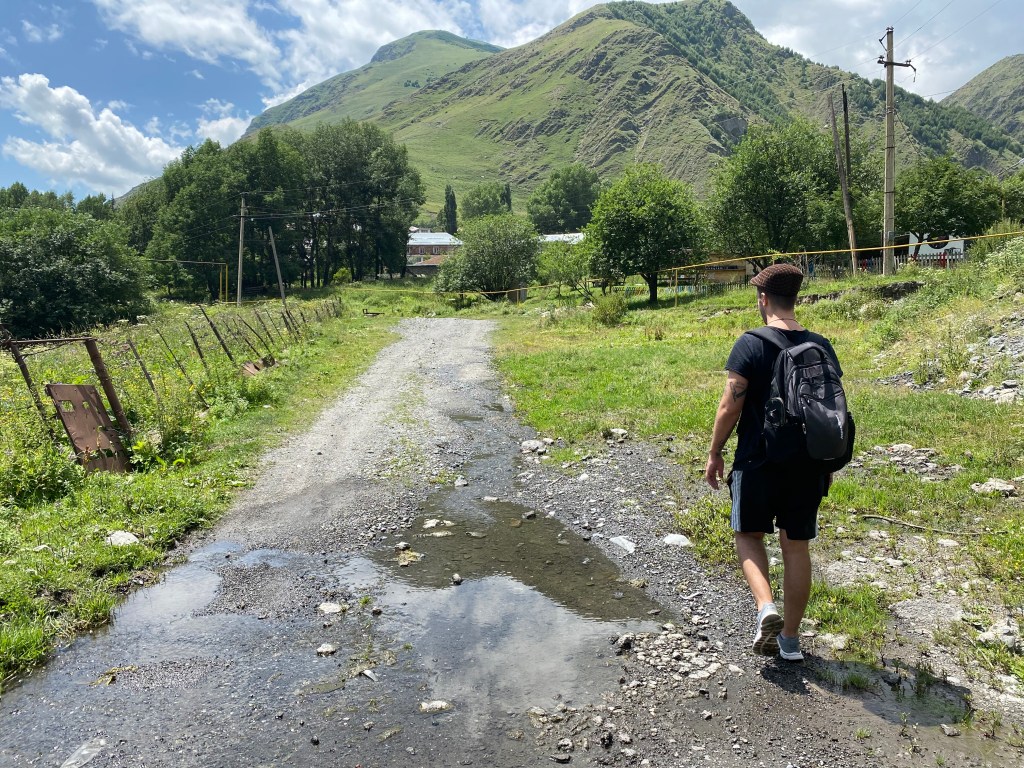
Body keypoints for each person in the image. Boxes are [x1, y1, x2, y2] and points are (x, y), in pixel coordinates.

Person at [703, 263, 842, 662]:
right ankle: (791, 642)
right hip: (808, 463)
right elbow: (828, 407)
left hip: (758, 459)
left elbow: (730, 406)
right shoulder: (820, 344)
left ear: (763, 299)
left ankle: (766, 607)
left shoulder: (750, 343)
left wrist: (715, 452)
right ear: (794, 299)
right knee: (796, 547)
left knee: (747, 535)